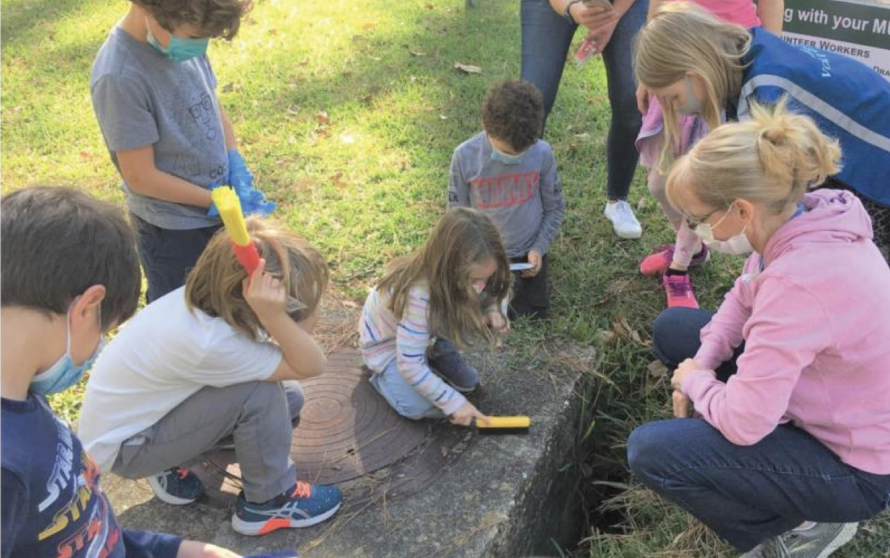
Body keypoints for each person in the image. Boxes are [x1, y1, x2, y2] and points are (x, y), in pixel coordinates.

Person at [627, 105, 890, 557]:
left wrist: (694, 381)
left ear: (741, 209)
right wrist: (704, 358)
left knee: (651, 452)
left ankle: (796, 528)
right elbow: (742, 294)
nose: (696, 230)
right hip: (843, 409)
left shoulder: (799, 284)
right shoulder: (802, 219)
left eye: (697, 218)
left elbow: (744, 422)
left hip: (859, 468)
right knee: (676, 329)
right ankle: (789, 475)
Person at [1, 186, 241, 558]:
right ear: (87, 307)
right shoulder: (7, 465)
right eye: (105, 331)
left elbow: (79, 531)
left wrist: (173, 549)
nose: (98, 347)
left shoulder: (26, 397)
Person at [633, 0, 890, 281]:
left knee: (854, 267)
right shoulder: (743, 53)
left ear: (695, 73)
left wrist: (734, 236)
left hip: (889, 154)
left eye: (671, 97)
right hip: (856, 144)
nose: (673, 108)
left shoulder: (764, 95)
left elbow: (775, 202)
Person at [79, 219, 341, 536]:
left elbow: (296, 361)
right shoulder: (211, 343)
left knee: (289, 399)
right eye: (292, 304)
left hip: (139, 424)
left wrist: (276, 312)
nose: (295, 311)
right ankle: (268, 502)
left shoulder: (209, 303)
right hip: (130, 449)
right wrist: (276, 315)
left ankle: (170, 461)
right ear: (250, 295)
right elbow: (310, 363)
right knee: (260, 393)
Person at [90, 0, 273, 304]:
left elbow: (211, 101)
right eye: (195, 36)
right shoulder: (120, 76)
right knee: (183, 310)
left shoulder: (181, 39)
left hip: (214, 210)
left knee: (224, 300)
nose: (200, 46)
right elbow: (141, 176)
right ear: (147, 4)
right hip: (171, 231)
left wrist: (233, 159)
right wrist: (213, 200)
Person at [636, 0, 794, 309]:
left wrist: (771, 73)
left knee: (700, 180)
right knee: (659, 182)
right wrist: (648, 75)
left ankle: (680, 268)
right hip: (675, 72)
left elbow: (773, 2)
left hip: (726, 72)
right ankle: (694, 240)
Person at [521, 0, 676, 240]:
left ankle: (617, 199)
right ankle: (525, 202)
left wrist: (614, 16)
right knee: (535, 96)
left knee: (631, 97)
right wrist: (578, 10)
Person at [360, 207, 511, 425]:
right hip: (388, 347)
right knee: (417, 407)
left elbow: (496, 291)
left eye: (485, 278)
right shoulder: (419, 294)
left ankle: (437, 351)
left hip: (424, 332)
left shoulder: (466, 275)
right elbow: (409, 364)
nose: (480, 287)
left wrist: (493, 310)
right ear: (449, 266)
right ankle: (384, 379)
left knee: (467, 383)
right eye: (473, 280)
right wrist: (454, 403)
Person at [448, 79, 565, 320]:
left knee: (531, 314)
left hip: (526, 255)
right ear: (486, 127)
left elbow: (554, 208)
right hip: (482, 252)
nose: (513, 159)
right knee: (469, 312)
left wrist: (538, 248)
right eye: (506, 153)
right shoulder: (465, 156)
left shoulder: (542, 153)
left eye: (521, 153)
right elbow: (456, 216)